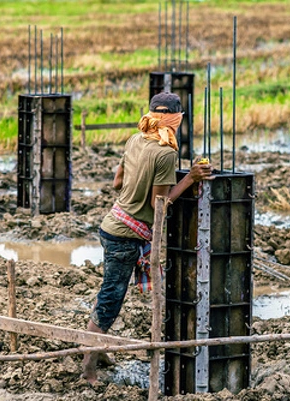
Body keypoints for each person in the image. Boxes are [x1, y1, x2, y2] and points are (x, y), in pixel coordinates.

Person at [81, 91, 214, 384]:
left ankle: (98, 350)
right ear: (176, 120)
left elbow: (117, 183)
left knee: (110, 291)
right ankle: (88, 367)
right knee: (110, 299)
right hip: (126, 236)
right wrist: (190, 178)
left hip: (111, 224)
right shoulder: (166, 153)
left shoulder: (135, 139)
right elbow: (160, 207)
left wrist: (138, 181)